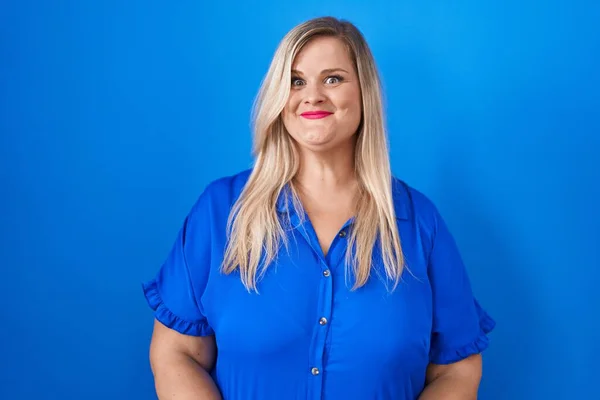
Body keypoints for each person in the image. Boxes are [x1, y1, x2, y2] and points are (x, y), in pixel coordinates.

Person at [142, 16, 495, 400]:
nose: (312, 95)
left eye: (333, 78)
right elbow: (177, 353)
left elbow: (456, 369)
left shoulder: (418, 223)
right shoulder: (220, 213)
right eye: (296, 81)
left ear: (364, 92)